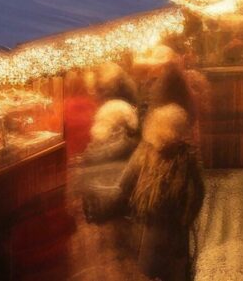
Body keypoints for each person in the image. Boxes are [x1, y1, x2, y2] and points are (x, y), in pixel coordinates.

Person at [115, 105, 205, 281]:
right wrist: (185, 219)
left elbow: (124, 185)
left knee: (153, 272)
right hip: (177, 235)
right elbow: (197, 194)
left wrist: (138, 206)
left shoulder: (144, 153)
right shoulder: (187, 157)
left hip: (150, 232)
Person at [73, 100, 141, 280]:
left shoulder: (92, 149)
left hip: (99, 217)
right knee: (125, 262)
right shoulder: (133, 148)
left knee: (106, 264)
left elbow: (84, 184)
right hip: (124, 214)